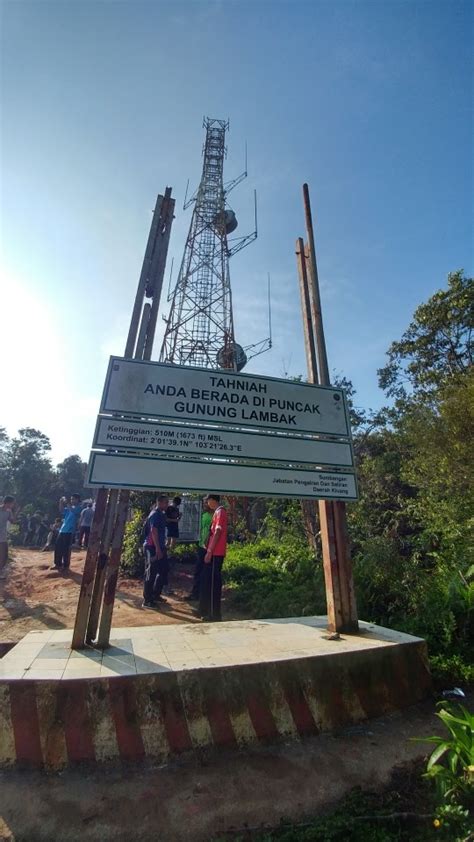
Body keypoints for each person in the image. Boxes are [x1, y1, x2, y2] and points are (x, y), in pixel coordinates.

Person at [198, 495, 228, 622]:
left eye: (208, 500)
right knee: (209, 582)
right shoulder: (217, 512)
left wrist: (209, 551)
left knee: (213, 585)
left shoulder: (220, 512)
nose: (207, 502)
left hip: (216, 554)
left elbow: (217, 532)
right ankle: (210, 612)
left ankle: (214, 614)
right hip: (214, 553)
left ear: (212, 500)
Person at [142, 494, 169, 609]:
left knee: (164, 570)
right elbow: (153, 531)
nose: (167, 505)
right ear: (160, 503)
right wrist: (158, 548)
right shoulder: (155, 514)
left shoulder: (161, 515)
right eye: (166, 503)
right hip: (152, 547)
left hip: (160, 547)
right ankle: (147, 600)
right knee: (150, 573)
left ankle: (155, 594)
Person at [185, 499, 212, 601]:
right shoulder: (203, 515)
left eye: (207, 502)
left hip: (208, 547)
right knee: (198, 571)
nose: (205, 504)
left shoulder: (214, 516)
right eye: (204, 503)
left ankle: (203, 594)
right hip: (201, 546)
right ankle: (196, 594)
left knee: (205, 572)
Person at [52, 494, 82, 571]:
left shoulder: (79, 508)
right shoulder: (69, 508)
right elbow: (61, 510)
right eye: (71, 499)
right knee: (58, 547)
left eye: (73, 499)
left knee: (66, 549)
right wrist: (61, 502)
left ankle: (66, 566)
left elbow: (73, 511)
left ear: (78, 500)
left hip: (70, 531)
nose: (72, 501)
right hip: (62, 530)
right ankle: (57, 564)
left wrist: (67, 503)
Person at [0, 496, 16, 576]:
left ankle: (0, 571)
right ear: (8, 502)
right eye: (12, 503)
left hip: (2, 535)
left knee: (4, 555)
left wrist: (12, 512)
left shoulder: (8, 512)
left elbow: (13, 521)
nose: (13, 505)